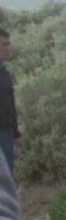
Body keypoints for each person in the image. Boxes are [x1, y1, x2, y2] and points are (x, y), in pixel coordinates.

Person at [0, 30, 20, 177]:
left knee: (7, 178)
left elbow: (9, 105)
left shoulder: (4, 72)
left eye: (9, 44)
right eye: (4, 45)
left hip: (6, 133)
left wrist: (16, 134)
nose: (8, 48)